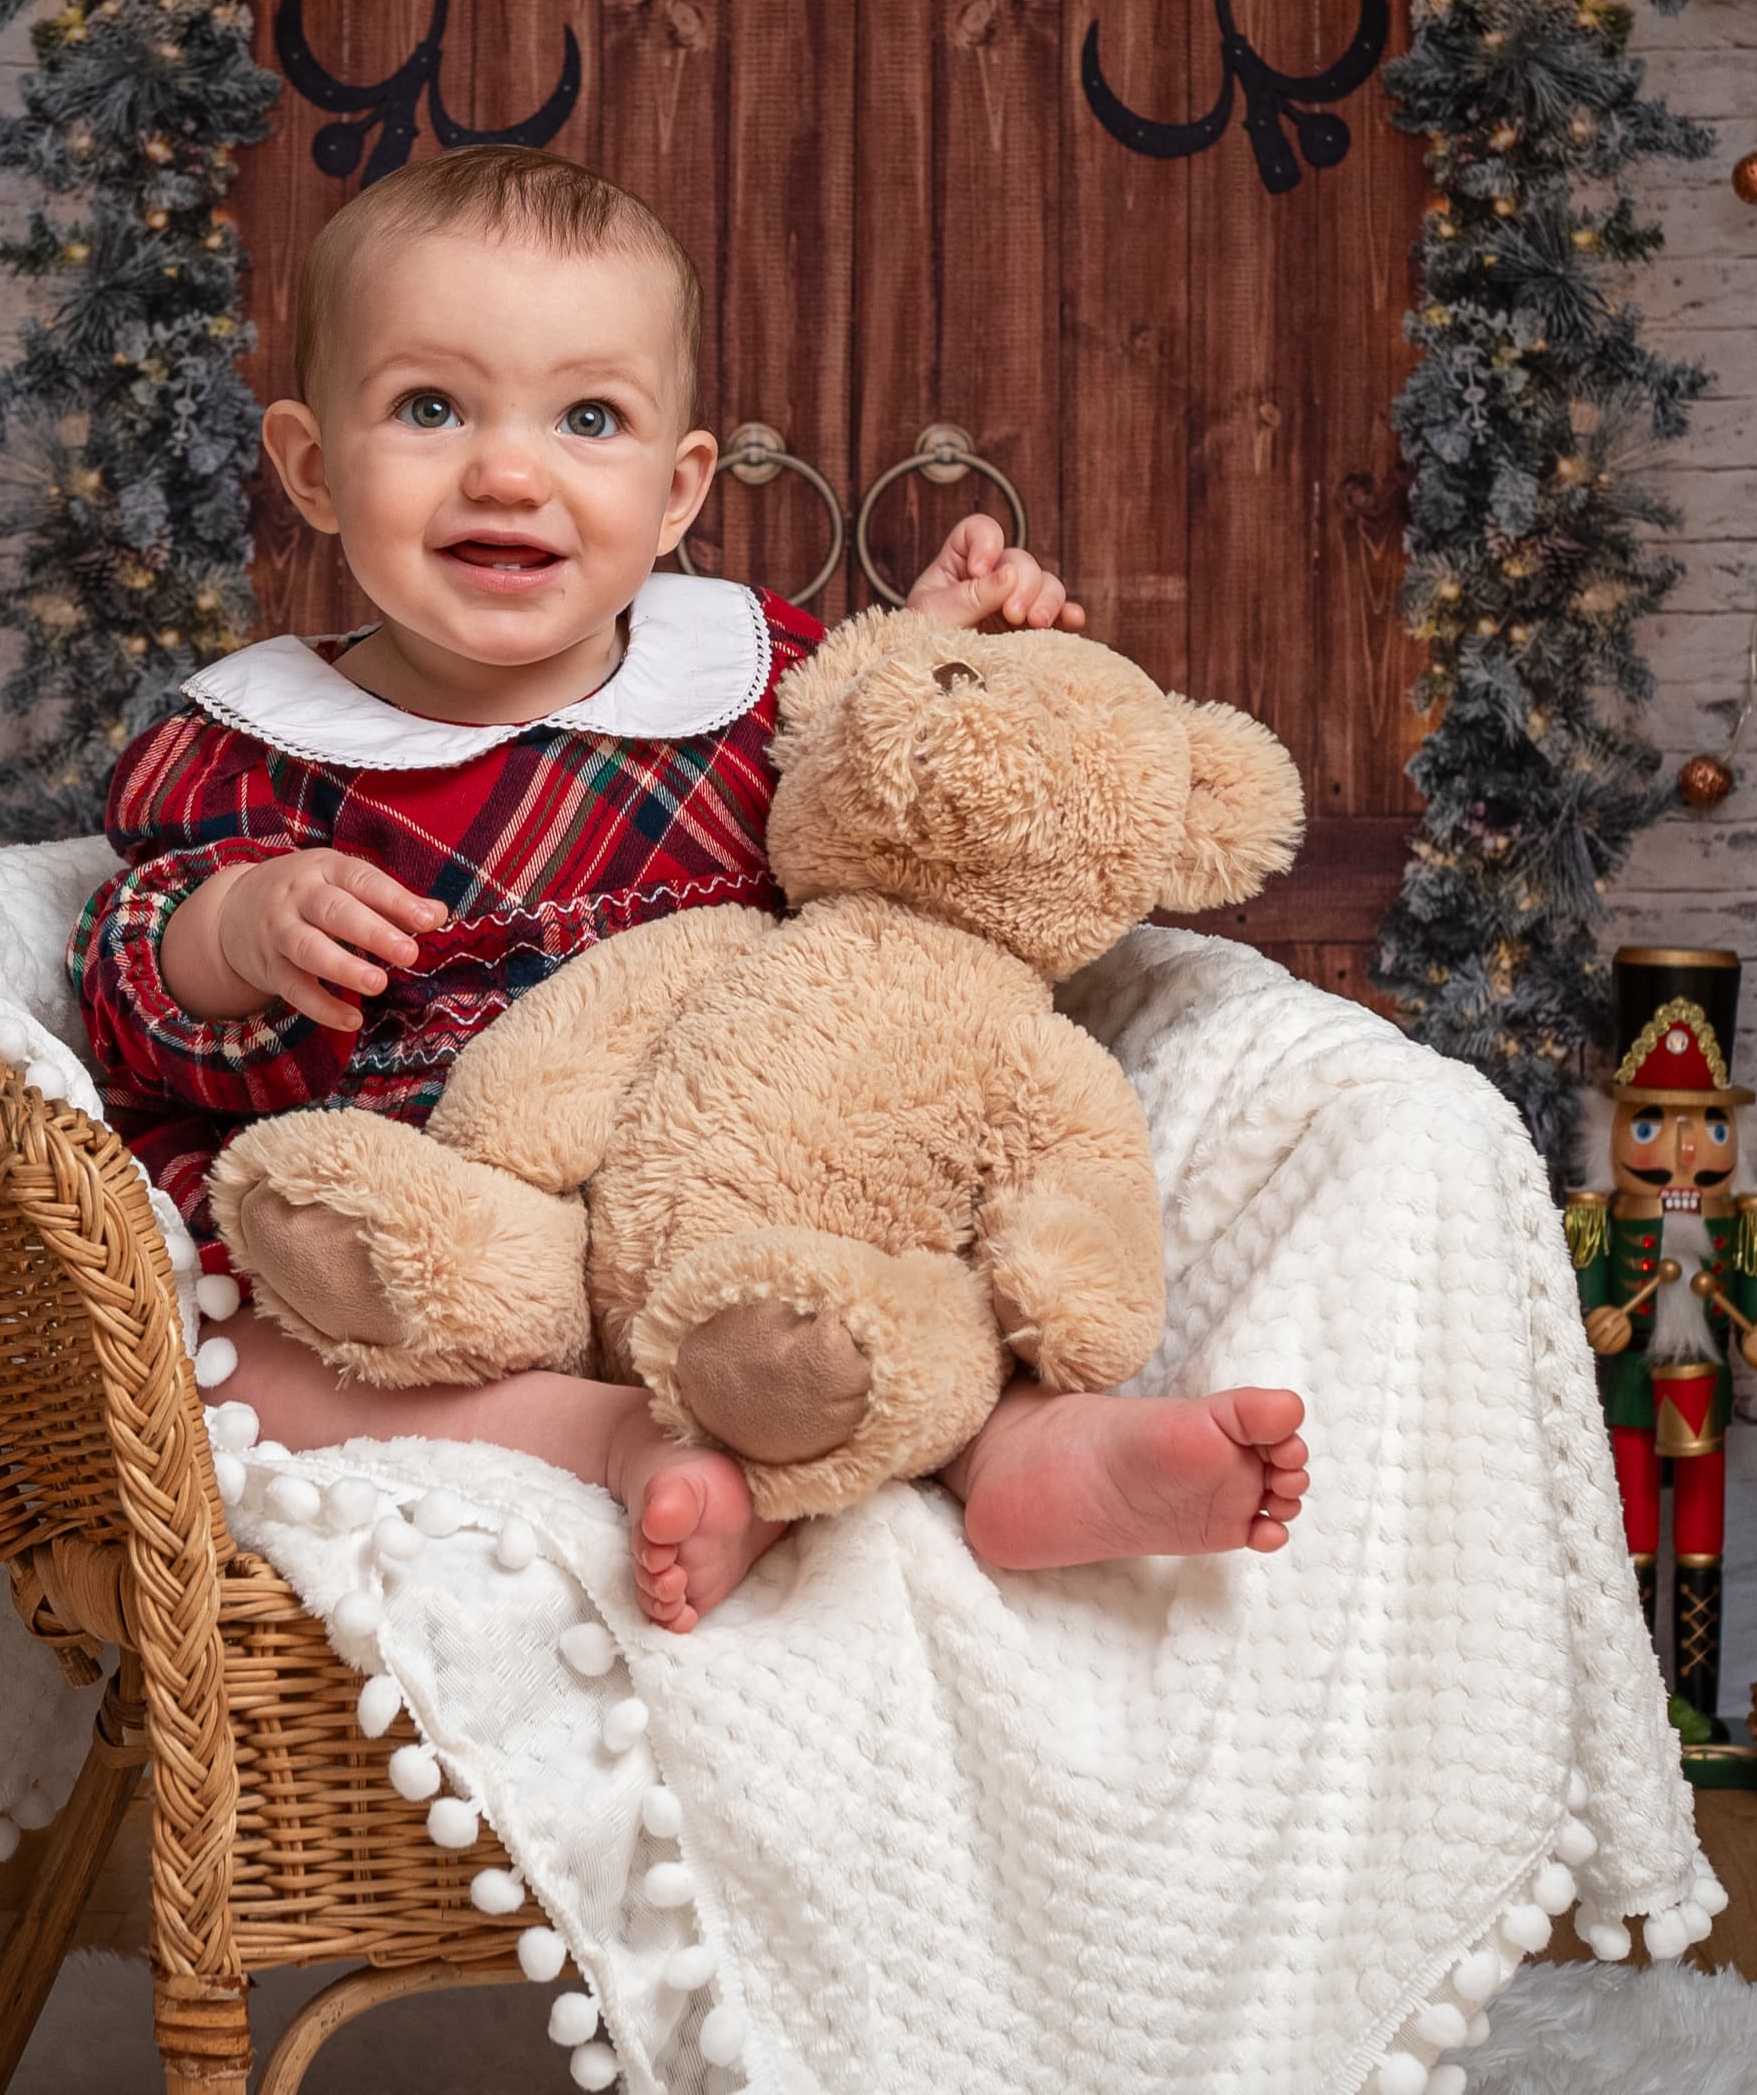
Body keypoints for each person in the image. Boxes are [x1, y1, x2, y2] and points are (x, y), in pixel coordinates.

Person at [79, 146, 1308, 1634]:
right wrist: (233, 931)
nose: (508, 471)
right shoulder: (254, 745)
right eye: (428, 408)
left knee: (880, 1258)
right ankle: (604, 1438)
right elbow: (126, 988)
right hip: (442, 1238)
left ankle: (1025, 1446)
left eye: (584, 417)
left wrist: (930, 644)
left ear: (674, 492)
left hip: (723, 1183)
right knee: (232, 1352)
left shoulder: (734, 674)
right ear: (311, 465)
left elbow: (858, 802)